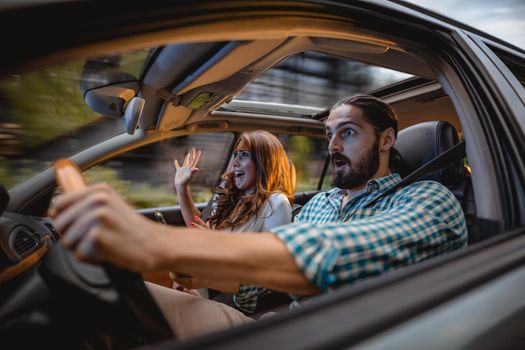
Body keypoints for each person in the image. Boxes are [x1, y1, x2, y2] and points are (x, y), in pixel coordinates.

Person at [51, 95, 467, 340]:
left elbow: (340, 252)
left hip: (350, 336)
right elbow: (266, 279)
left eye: (349, 133)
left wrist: (158, 242)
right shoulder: (321, 202)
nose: (333, 146)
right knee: (114, 293)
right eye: (329, 134)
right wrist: (201, 270)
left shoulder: (429, 198)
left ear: (387, 139)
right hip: (286, 325)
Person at [171, 130, 295, 314]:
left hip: (233, 301)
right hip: (205, 289)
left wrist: (214, 245)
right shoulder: (232, 196)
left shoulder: (277, 203)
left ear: (265, 162)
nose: (235, 162)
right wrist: (181, 188)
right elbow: (198, 227)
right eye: (235, 155)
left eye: (244, 155)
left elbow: (268, 271)